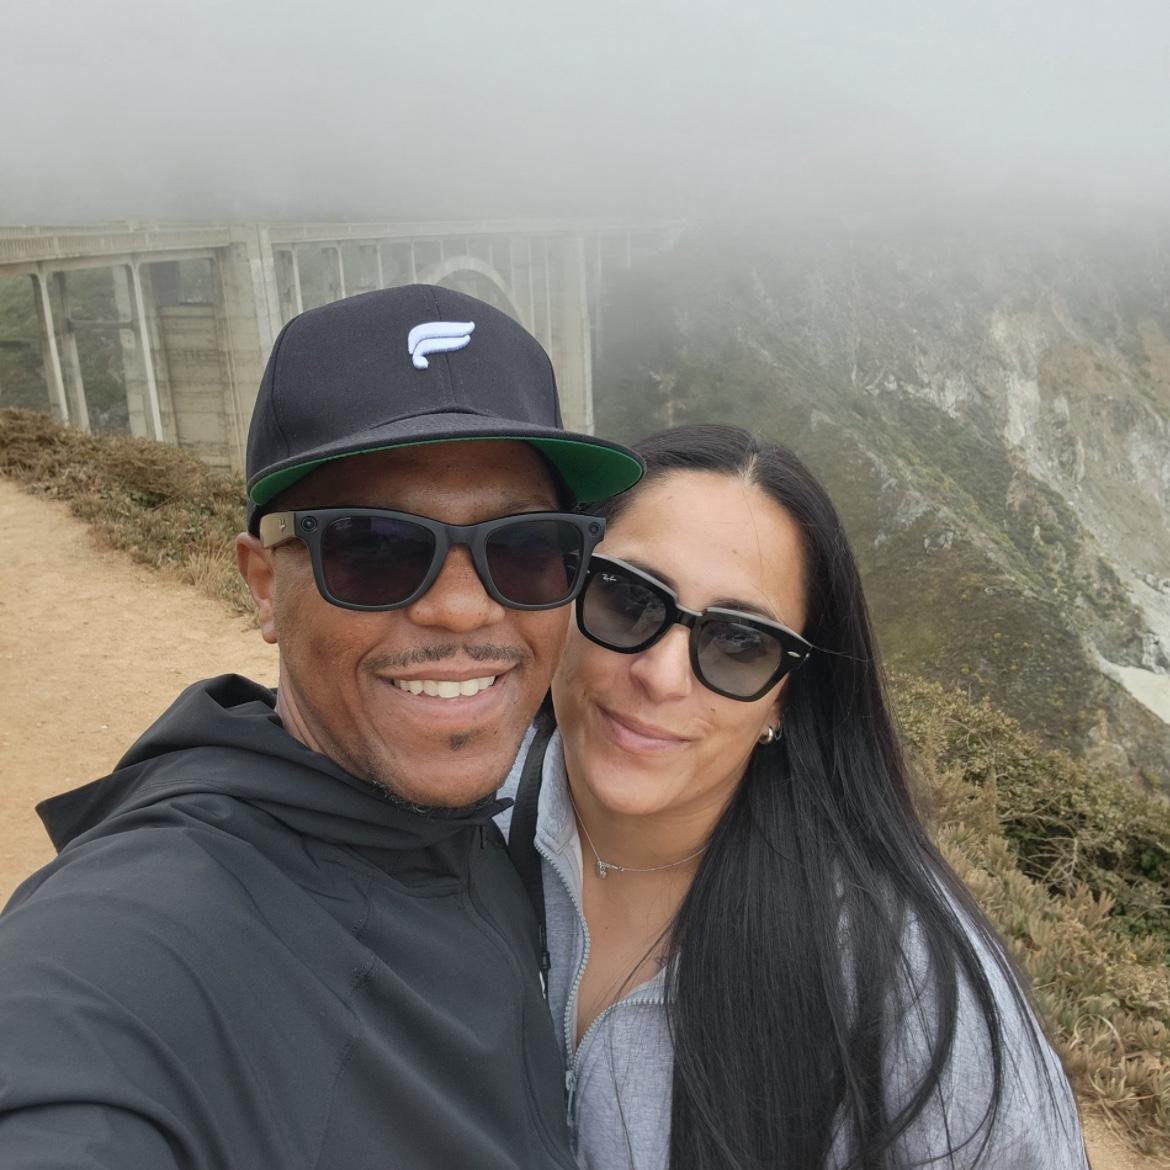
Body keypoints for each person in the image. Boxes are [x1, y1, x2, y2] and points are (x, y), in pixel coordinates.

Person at [0, 284, 644, 1169]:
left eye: (527, 548)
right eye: (374, 546)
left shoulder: (483, 830)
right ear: (265, 584)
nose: (463, 609)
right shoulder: (139, 938)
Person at [502, 423, 1089, 1169]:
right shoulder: (454, 822)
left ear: (784, 698)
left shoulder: (899, 984)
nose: (661, 675)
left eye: (739, 643)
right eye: (626, 597)